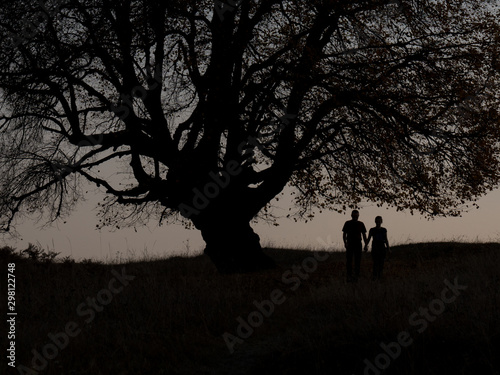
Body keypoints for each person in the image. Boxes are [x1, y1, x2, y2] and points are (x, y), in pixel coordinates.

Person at [342, 210, 367, 282]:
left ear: (358, 216)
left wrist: (366, 244)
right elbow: (344, 234)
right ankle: (349, 275)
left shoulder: (361, 224)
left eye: (356, 216)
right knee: (349, 260)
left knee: (358, 260)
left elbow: (364, 235)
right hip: (350, 243)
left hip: (358, 243)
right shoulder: (347, 223)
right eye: (354, 216)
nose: (355, 217)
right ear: (351, 216)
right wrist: (345, 242)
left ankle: (357, 275)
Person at [365, 216, 390, 280]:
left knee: (381, 263)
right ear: (375, 222)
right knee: (375, 263)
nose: (378, 223)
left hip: (382, 247)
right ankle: (375, 276)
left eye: (379, 221)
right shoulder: (372, 230)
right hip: (375, 247)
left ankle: (380, 276)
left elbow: (386, 239)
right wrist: (366, 245)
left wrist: (388, 248)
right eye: (377, 221)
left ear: (381, 222)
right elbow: (369, 238)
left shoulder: (384, 230)